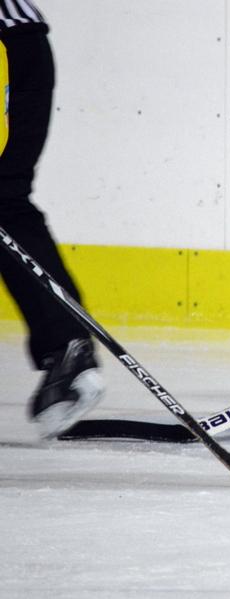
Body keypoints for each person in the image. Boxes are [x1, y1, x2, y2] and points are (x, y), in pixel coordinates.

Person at [0, 0, 104, 438]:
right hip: (18, 48)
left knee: (4, 201)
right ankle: (66, 345)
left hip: (8, 49)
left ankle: (67, 346)